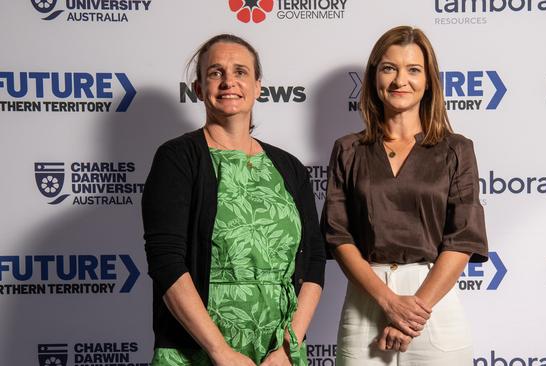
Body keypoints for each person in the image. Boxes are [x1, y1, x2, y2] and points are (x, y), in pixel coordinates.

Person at [142, 34, 325, 366]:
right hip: (197, 354)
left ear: (258, 86)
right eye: (216, 73)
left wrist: (288, 347)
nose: (229, 82)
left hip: (278, 357)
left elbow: (314, 263)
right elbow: (166, 262)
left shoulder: (290, 168)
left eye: (241, 72)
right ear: (199, 89)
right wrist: (220, 352)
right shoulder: (177, 158)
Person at [321, 26, 488, 365]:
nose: (401, 80)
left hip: (434, 308)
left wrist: (411, 315)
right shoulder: (348, 150)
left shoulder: (456, 149)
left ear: (428, 82)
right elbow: (338, 234)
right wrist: (388, 302)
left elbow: (462, 238)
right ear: (374, 77)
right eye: (389, 68)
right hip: (366, 304)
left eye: (413, 70)